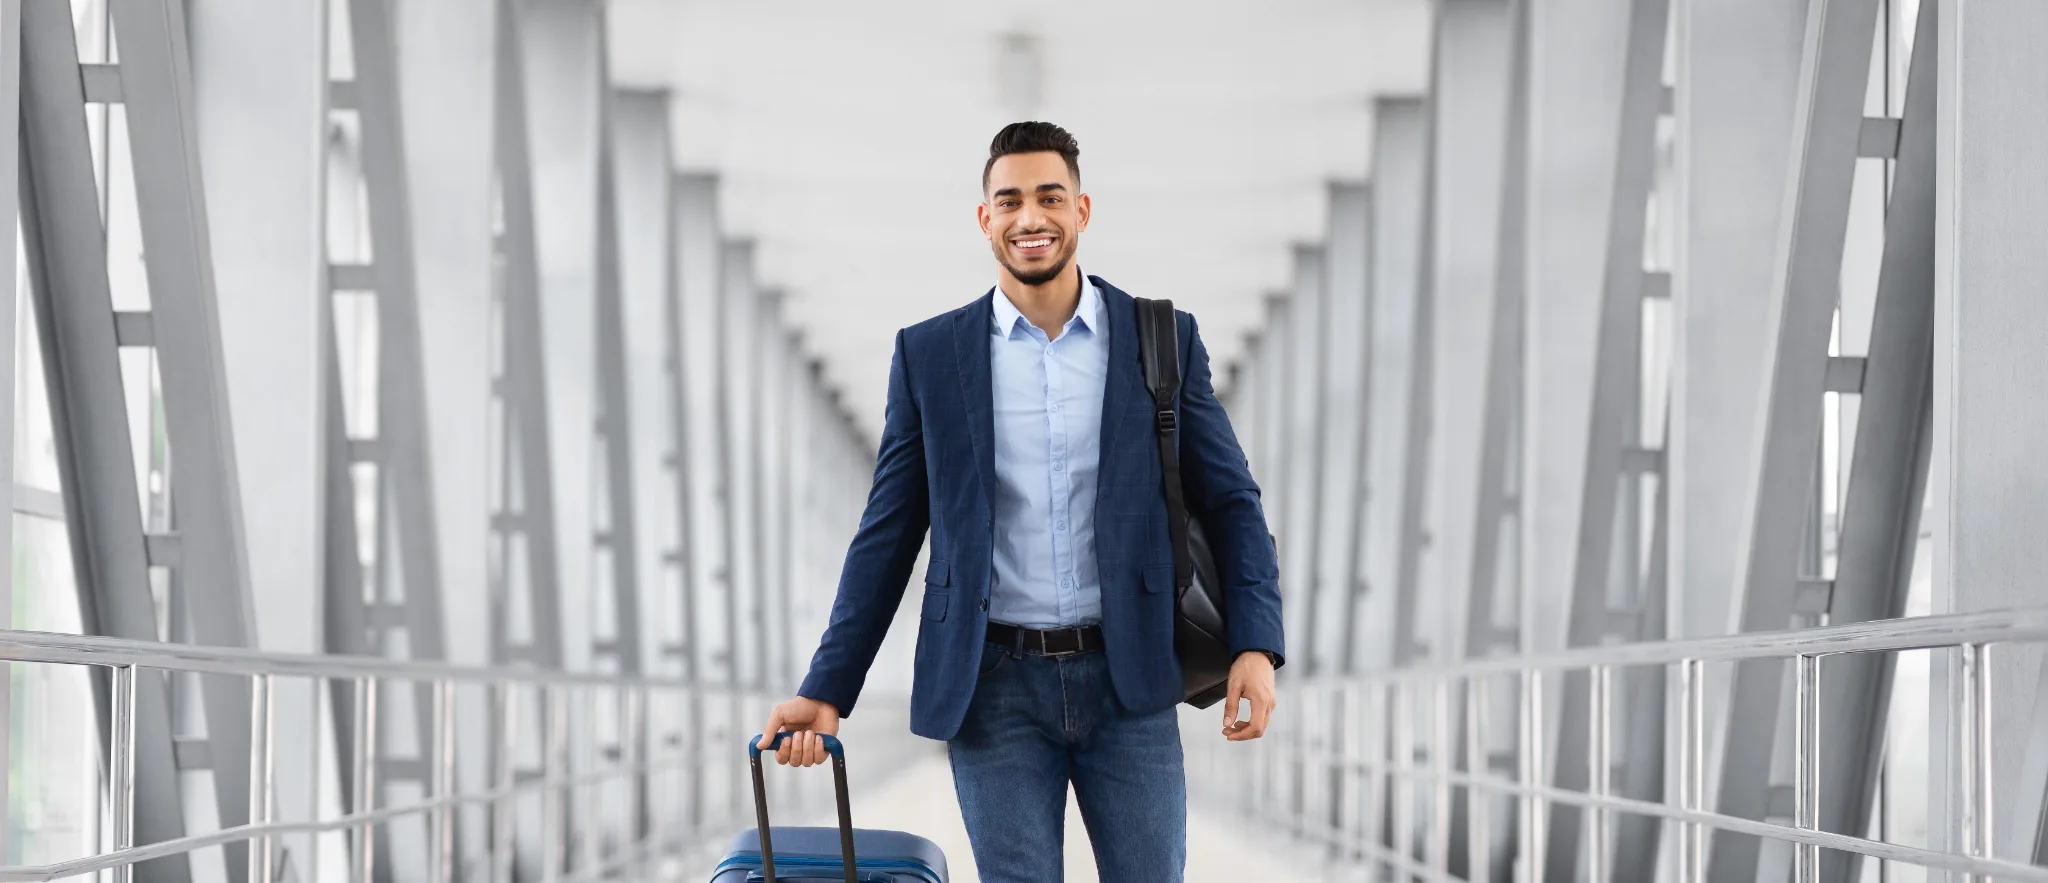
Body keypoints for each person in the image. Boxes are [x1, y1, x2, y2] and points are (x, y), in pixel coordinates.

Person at [759, 121, 1284, 882]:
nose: (1029, 218)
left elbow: (1233, 500)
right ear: (985, 218)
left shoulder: (1161, 339)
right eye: (1009, 200)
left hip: (1129, 680)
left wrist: (1255, 645)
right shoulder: (930, 357)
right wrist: (826, 687)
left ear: (1083, 210)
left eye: (1050, 197)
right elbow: (887, 534)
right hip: (992, 687)